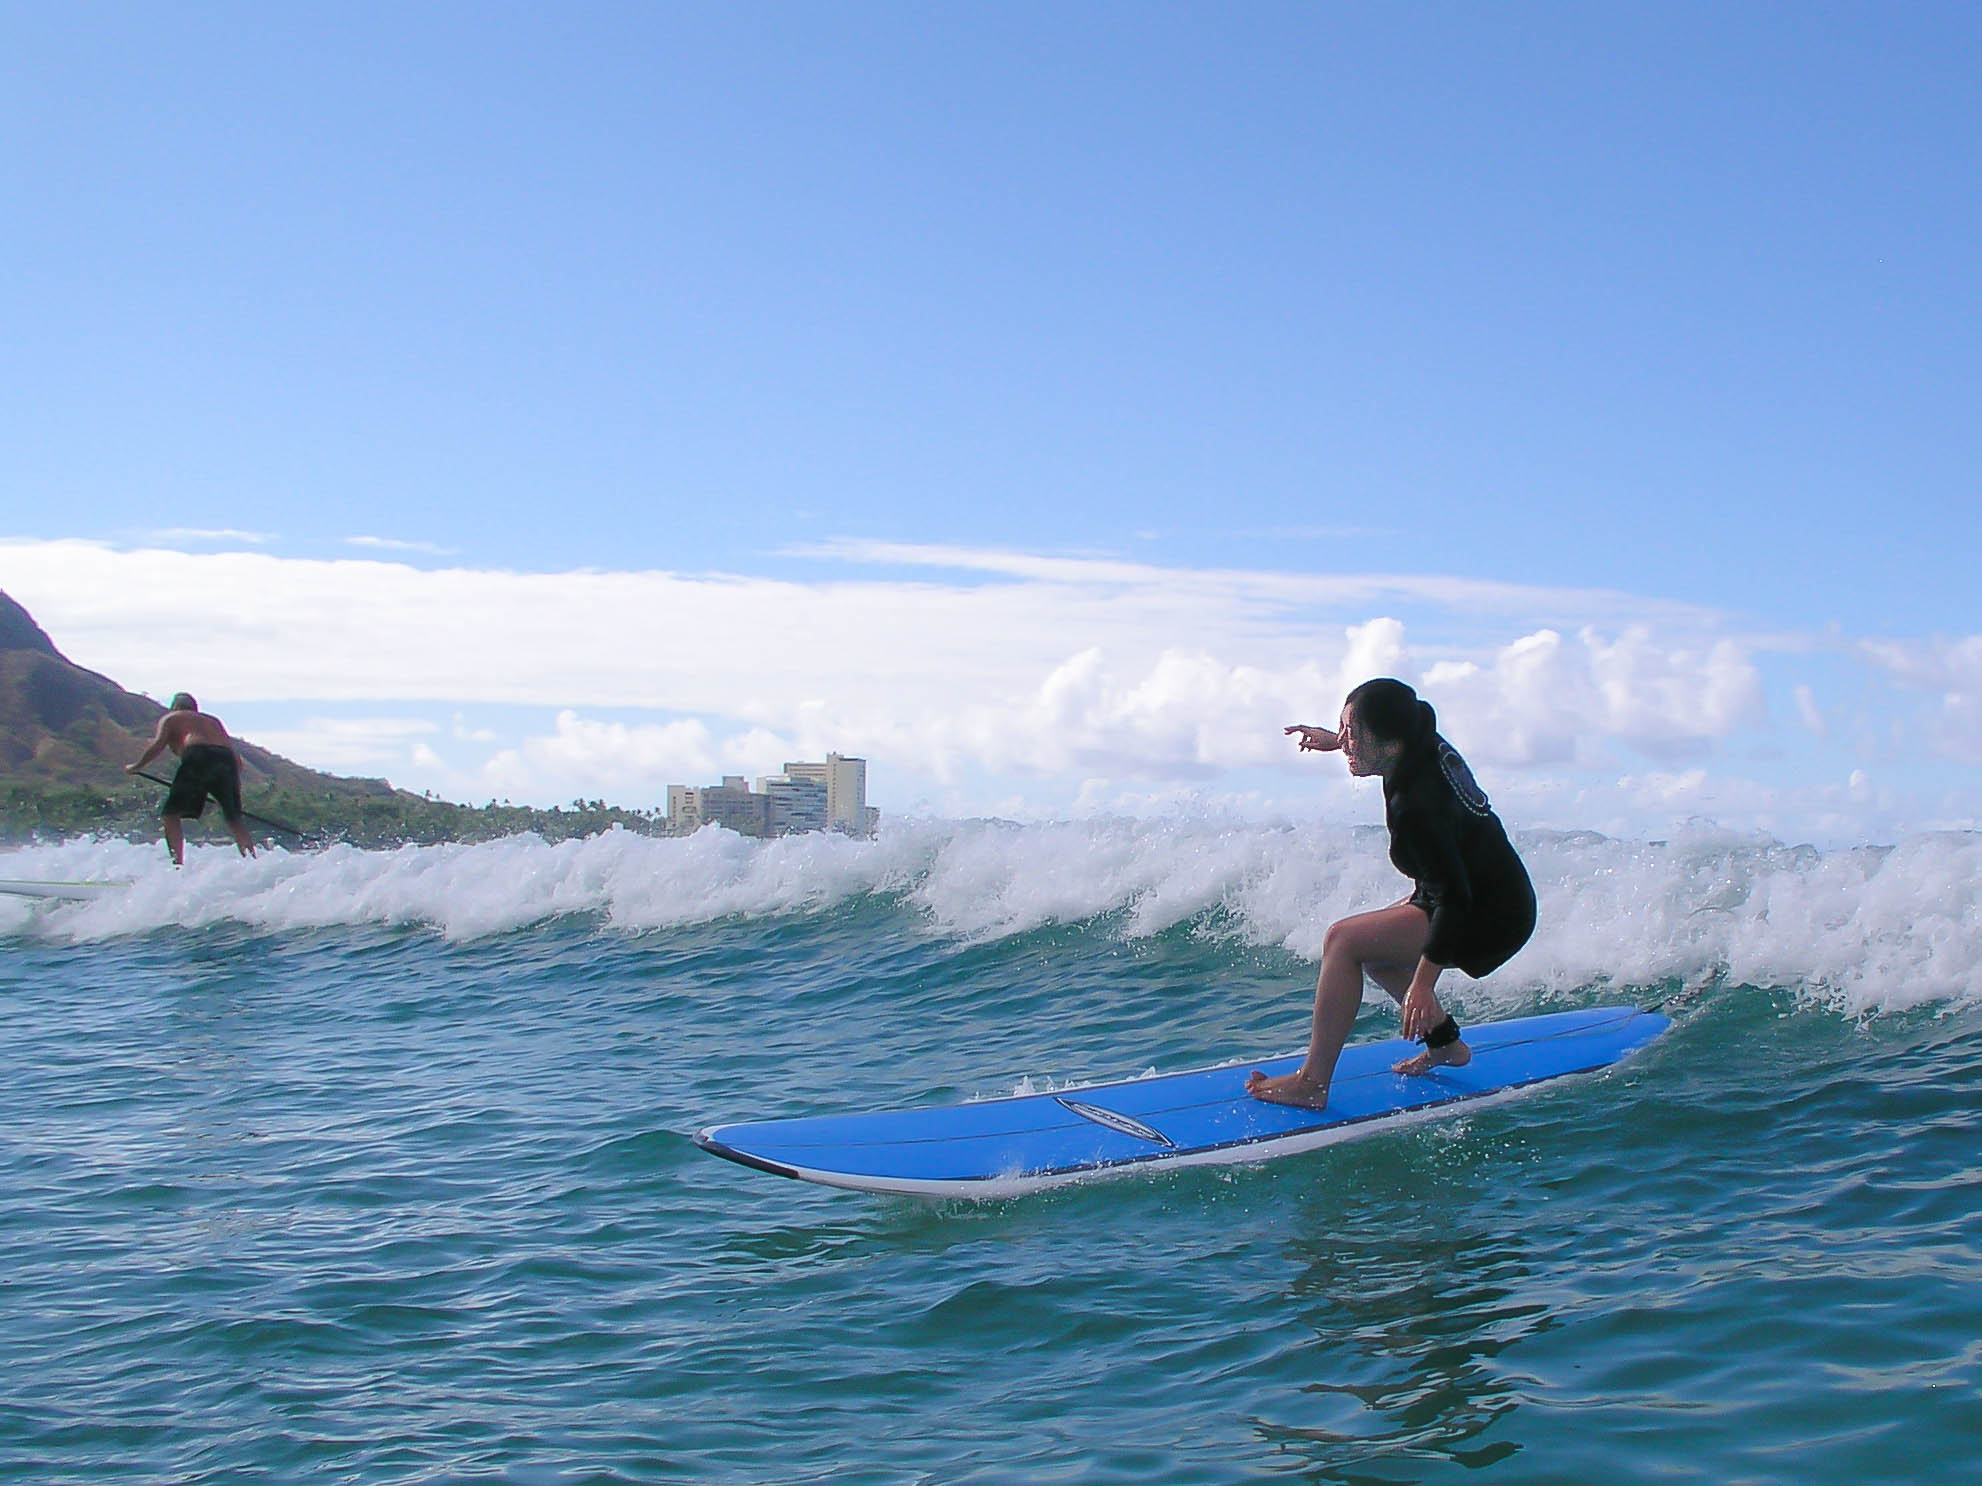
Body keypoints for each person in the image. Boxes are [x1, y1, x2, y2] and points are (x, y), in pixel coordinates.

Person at [1247, 678, 1535, 1109]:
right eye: (1342, 727)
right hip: (1487, 890)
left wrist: (1423, 984)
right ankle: (1445, 1045)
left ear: (1388, 741)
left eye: (1352, 733)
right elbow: (1449, 885)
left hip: (1487, 913)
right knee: (1372, 945)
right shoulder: (1418, 734)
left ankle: (1312, 1083)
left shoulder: (1418, 804)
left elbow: (1454, 899)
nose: (1345, 740)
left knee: (1343, 940)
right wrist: (1336, 742)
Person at [126, 693, 257, 866]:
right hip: (227, 761)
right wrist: (224, 792)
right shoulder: (213, 721)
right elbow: (236, 760)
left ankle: (177, 866)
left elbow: (158, 745)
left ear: (175, 707)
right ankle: (252, 862)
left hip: (198, 755)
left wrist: (137, 766)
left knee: (170, 815)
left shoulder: (172, 718)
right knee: (234, 819)